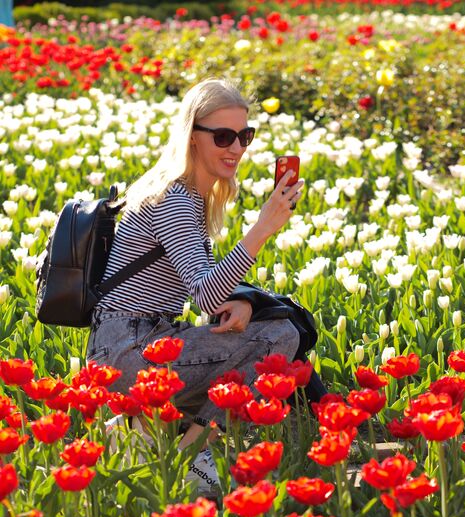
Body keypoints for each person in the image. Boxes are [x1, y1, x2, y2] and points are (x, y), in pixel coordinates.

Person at [86, 78, 305, 493]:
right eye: (223, 136)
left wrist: (239, 302)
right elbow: (205, 293)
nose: (237, 149)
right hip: (129, 349)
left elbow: (202, 289)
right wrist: (263, 228)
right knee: (279, 335)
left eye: (245, 136)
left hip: (136, 340)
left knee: (266, 331)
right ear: (192, 137)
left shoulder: (184, 196)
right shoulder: (175, 199)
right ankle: (191, 456)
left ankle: (138, 433)